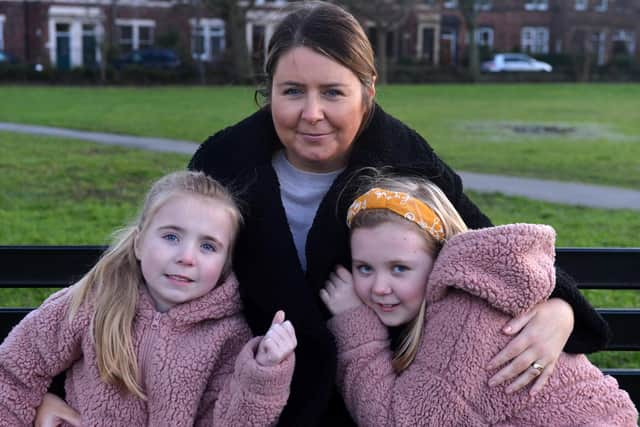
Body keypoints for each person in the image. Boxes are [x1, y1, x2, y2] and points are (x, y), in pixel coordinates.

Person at [34, 1, 611, 425]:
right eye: (292, 91)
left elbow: (481, 244)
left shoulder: (401, 156)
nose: (312, 114)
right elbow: (139, 279)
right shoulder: (225, 160)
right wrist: (51, 389)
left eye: (333, 92)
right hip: (249, 401)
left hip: (374, 402)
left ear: (367, 89)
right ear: (269, 90)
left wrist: (562, 308)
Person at [321, 173, 638, 426]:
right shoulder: (453, 301)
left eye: (399, 268)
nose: (379, 287)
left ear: (441, 261)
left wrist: (354, 324)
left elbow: (399, 421)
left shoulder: (466, 315)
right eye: (364, 268)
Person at [0, 171, 297, 426]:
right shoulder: (94, 301)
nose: (186, 257)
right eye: (171, 237)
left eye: (208, 246)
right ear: (139, 243)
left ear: (225, 265)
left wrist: (263, 374)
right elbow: (14, 370)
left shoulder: (228, 336)